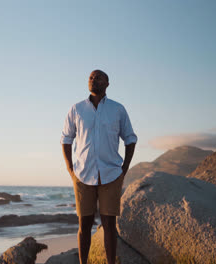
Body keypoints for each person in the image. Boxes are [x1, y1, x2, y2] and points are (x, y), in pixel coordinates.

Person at [60, 69, 137, 264]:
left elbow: (130, 139)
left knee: (109, 224)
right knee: (84, 224)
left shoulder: (117, 109)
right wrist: (70, 169)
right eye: (91, 77)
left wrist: (124, 169)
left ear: (107, 84)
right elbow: (66, 139)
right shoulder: (76, 109)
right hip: (82, 173)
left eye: (98, 78)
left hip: (111, 174)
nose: (94, 80)